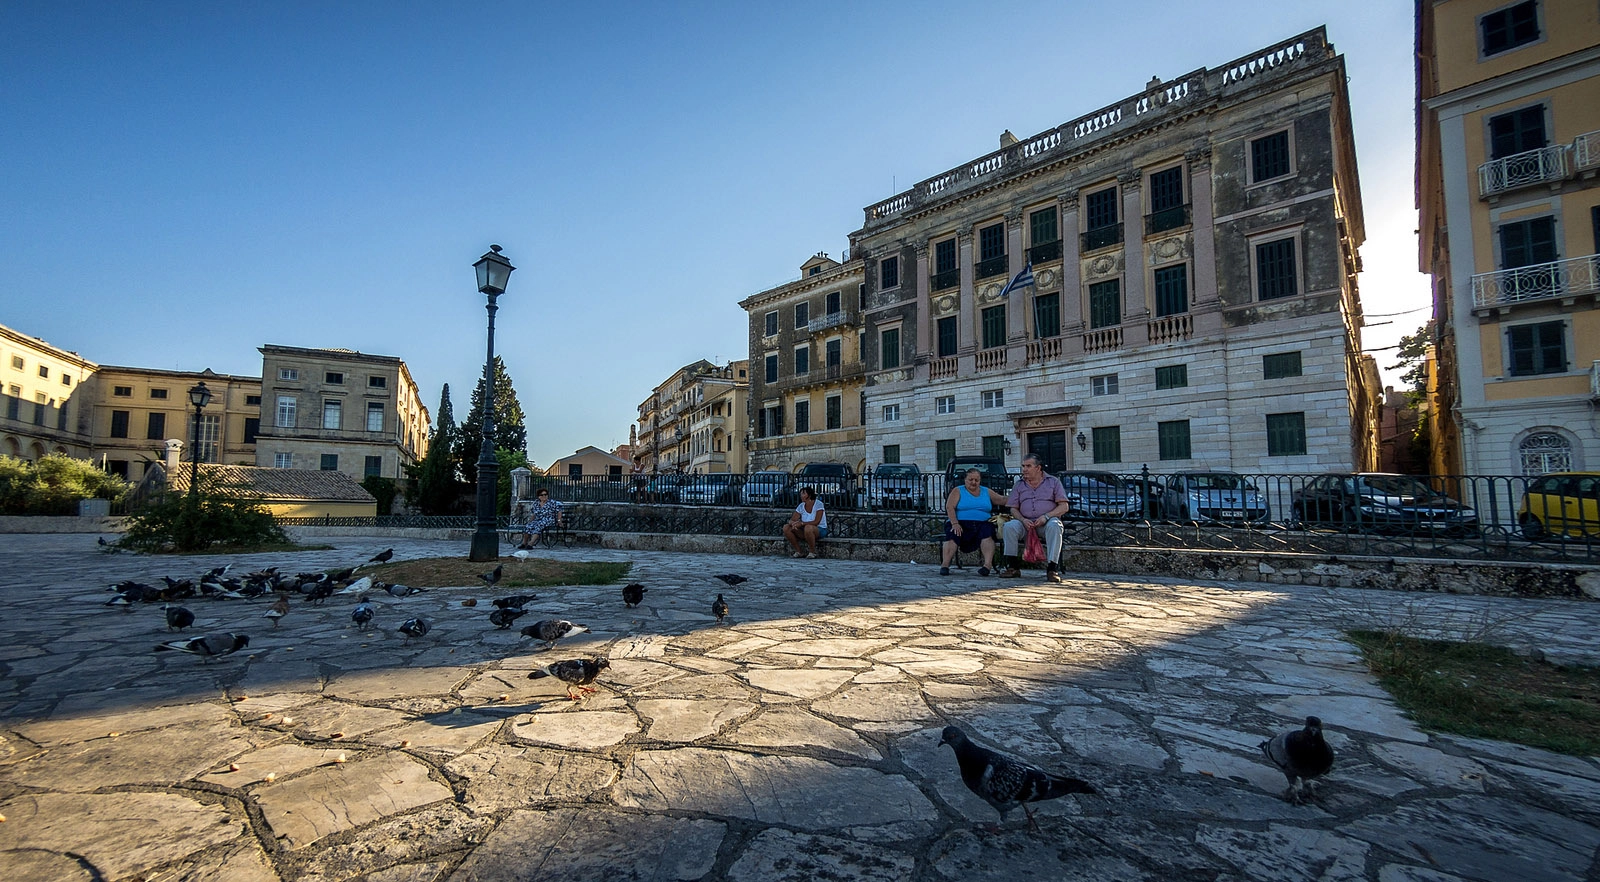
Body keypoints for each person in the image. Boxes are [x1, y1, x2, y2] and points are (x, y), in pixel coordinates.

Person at [999, 453, 1071, 582]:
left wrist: (1046, 517)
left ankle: (1052, 569)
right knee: (1009, 526)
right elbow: (1013, 508)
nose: (1024, 469)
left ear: (1038, 468)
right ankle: (1012, 567)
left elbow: (1064, 506)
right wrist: (1022, 520)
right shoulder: (1019, 485)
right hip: (1025, 524)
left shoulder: (1053, 482)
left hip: (1045, 523)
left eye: (1028, 466)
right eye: (1023, 466)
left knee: (1055, 525)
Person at [941, 468, 1009, 576]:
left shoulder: (986, 491)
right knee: (953, 535)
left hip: (982, 523)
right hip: (959, 522)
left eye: (976, 480)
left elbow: (1001, 499)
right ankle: (945, 565)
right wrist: (955, 523)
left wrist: (1019, 497)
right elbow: (950, 507)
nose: (973, 482)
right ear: (965, 480)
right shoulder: (958, 490)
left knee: (987, 534)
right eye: (970, 479)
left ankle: (987, 566)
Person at [783, 486, 827, 558]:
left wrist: (802, 523)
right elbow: (792, 519)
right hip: (804, 529)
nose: (801, 496)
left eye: (803, 493)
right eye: (801, 494)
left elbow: (816, 522)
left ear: (809, 495)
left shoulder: (819, 504)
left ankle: (812, 552)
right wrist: (793, 524)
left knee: (808, 528)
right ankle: (799, 551)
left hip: (819, 529)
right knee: (786, 528)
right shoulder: (801, 506)